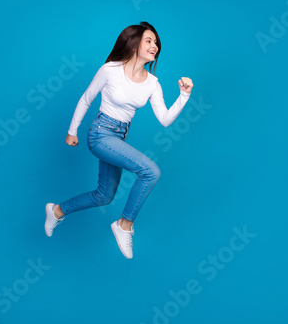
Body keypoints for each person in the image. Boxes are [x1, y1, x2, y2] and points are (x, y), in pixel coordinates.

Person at [44, 21, 193, 259]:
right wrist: (73, 131)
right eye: (148, 40)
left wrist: (184, 95)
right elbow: (86, 99)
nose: (154, 45)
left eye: (156, 42)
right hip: (100, 134)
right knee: (150, 171)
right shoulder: (111, 69)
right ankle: (124, 225)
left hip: (118, 138)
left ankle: (56, 210)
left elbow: (164, 119)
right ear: (134, 43)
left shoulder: (152, 83)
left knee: (104, 196)